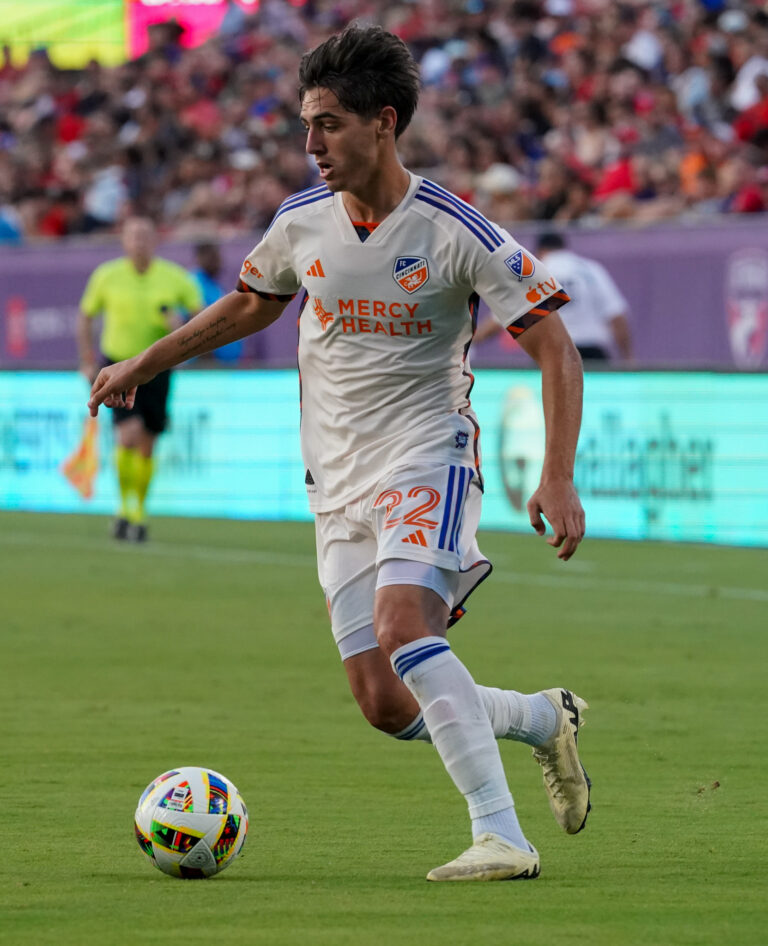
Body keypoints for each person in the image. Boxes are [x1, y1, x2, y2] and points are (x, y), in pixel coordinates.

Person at [88, 27, 589, 882]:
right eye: (305, 125)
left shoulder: (453, 230)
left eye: (328, 124)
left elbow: (556, 347)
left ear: (383, 123)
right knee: (385, 703)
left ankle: (501, 834)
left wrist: (556, 472)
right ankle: (542, 718)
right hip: (337, 479)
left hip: (429, 454)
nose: (310, 144)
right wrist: (143, 361)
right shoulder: (300, 224)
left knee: (406, 629)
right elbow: (250, 308)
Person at [78, 216, 202, 541]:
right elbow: (86, 315)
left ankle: (139, 511)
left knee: (147, 443)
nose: (139, 242)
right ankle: (125, 509)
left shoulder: (174, 277)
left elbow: (199, 315)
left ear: (155, 241)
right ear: (124, 241)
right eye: (133, 236)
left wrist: (181, 323)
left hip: (158, 366)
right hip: (118, 364)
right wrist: (87, 360)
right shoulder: (107, 275)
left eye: (145, 236)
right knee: (127, 434)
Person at [476, 231, 633, 362]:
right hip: (592, 353)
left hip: (552, 352)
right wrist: (627, 357)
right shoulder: (590, 269)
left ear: (539, 251)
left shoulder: (538, 270)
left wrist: (470, 341)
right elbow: (616, 316)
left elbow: (501, 319)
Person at [190, 241, 244, 364]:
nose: (218, 261)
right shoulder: (194, 285)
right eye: (213, 256)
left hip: (224, 366)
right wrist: (207, 360)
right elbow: (194, 324)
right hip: (209, 368)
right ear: (200, 258)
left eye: (218, 256)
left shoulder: (214, 285)